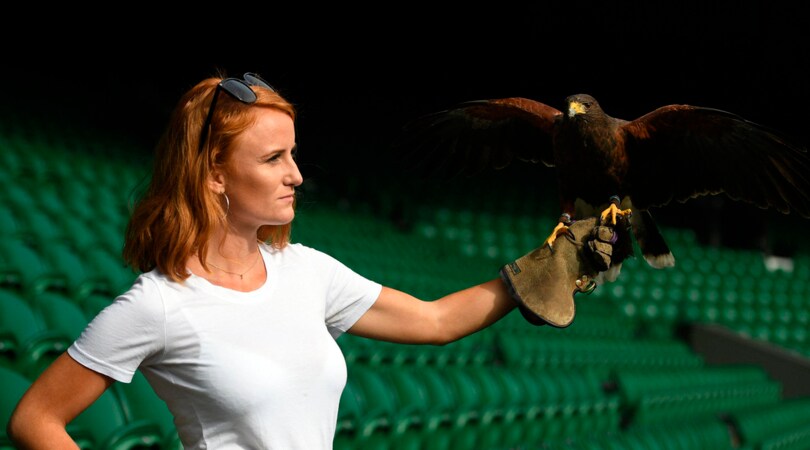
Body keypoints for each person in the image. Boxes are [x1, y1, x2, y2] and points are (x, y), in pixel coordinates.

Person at [6, 71, 618, 449]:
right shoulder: (159, 305)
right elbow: (35, 420)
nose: (296, 175)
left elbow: (434, 321)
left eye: (293, 155)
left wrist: (552, 262)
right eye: (273, 159)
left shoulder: (306, 270)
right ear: (215, 173)